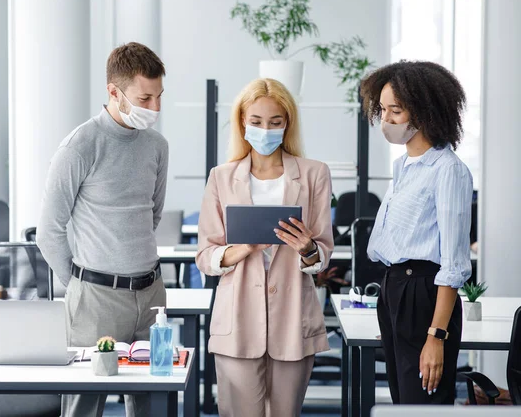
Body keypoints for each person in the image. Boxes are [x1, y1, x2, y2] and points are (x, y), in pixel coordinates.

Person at [37, 42, 169, 417]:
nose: (155, 108)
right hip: (95, 297)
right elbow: (49, 231)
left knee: (151, 402)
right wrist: (83, 282)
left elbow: (151, 216)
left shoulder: (158, 146)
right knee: (84, 405)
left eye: (159, 96)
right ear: (114, 92)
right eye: (145, 97)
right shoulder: (80, 146)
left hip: (151, 293)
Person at [195, 78, 334, 417]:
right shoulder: (221, 177)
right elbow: (205, 256)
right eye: (256, 121)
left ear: (287, 124)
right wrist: (240, 249)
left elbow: (323, 252)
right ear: (242, 122)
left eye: (275, 122)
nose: (265, 130)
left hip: (292, 318)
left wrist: (307, 248)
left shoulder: (314, 174)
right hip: (238, 318)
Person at [361, 60, 473, 404]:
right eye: (382, 109)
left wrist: (436, 336)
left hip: (424, 293)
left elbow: (453, 264)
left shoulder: (447, 170)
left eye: (396, 110)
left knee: (422, 402)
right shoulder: (405, 167)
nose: (386, 120)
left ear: (425, 113)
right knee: (403, 399)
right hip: (394, 287)